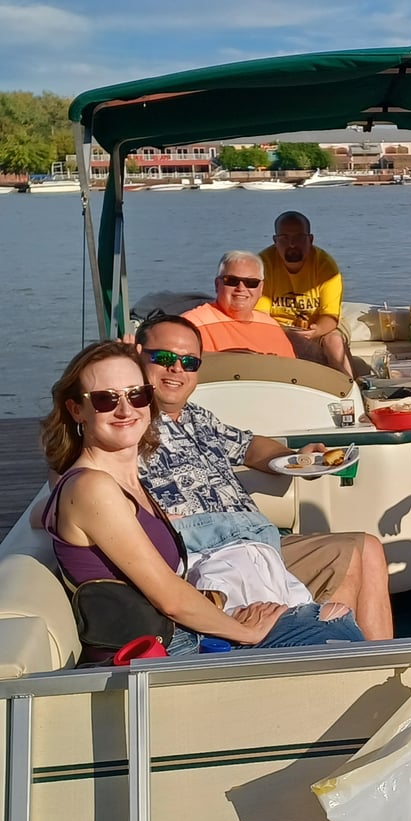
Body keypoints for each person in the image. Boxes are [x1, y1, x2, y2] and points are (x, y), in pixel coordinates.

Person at [40, 341, 365, 660]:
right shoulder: (91, 486)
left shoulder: (127, 480)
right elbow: (170, 600)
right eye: (105, 399)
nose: (126, 410)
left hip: (178, 635)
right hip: (157, 654)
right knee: (335, 628)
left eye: (137, 395)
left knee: (334, 615)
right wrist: (245, 631)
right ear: (76, 410)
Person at [134, 314, 393, 641]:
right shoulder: (127, 422)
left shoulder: (196, 417)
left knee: (368, 548)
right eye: (163, 358)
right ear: (136, 356)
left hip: (256, 537)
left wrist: (295, 458)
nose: (176, 369)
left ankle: (377, 660)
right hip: (206, 551)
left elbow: (248, 446)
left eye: (189, 362)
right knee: (334, 599)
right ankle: (319, 645)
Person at [257, 211, 353, 376]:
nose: (292, 244)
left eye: (299, 238)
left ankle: (349, 385)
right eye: (284, 238)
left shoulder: (325, 265)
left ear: (310, 239)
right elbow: (260, 315)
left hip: (320, 324)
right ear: (275, 241)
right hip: (278, 327)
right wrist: (289, 335)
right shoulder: (263, 264)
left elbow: (330, 317)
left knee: (334, 341)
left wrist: (316, 330)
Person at [182, 251, 298, 358]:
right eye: (232, 281)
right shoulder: (192, 325)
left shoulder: (271, 326)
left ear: (261, 289)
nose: (241, 288)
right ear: (217, 285)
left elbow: (290, 368)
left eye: (251, 283)